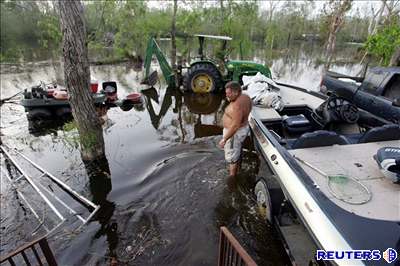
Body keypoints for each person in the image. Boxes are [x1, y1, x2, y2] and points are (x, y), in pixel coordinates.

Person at [219, 81, 252, 177]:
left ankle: (232, 179)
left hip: (234, 134)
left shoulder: (236, 106)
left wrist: (225, 139)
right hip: (243, 129)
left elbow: (235, 126)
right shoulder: (246, 97)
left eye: (229, 93)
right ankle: (238, 167)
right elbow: (249, 110)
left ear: (236, 92)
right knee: (237, 151)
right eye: (226, 93)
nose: (226, 95)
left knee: (232, 159)